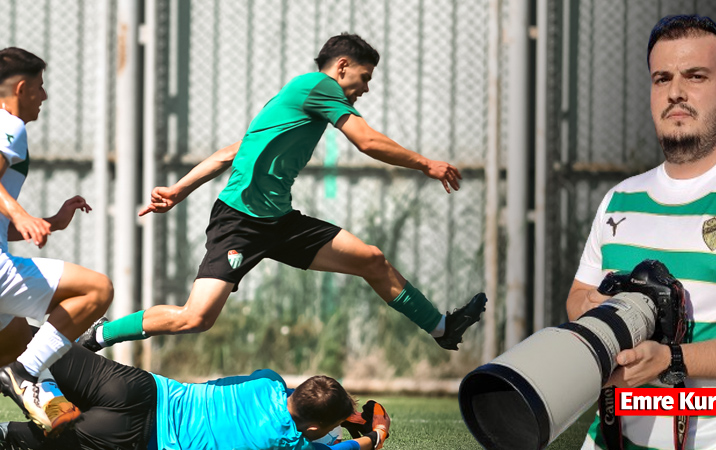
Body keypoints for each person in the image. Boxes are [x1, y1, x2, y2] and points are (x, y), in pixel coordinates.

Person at [79, 32, 486, 355]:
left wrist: (178, 190)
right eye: (364, 78)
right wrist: (426, 164)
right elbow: (366, 141)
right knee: (196, 317)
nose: (364, 89)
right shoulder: (317, 86)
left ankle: (442, 328)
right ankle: (102, 335)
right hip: (240, 220)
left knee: (372, 259)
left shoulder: (295, 102)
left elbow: (232, 151)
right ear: (342, 67)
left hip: (280, 221)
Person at [565, 15, 716, 450]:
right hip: (607, 437)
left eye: (695, 76)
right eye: (662, 78)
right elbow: (578, 297)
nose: (675, 92)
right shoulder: (620, 198)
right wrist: (597, 307)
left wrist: (671, 359)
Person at [0, 330, 391, 450]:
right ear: (311, 430)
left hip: (142, 389)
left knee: (28, 344)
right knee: (25, 442)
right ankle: (35, 403)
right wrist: (376, 433)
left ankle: (42, 384)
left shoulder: (269, 380)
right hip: (137, 439)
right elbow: (347, 449)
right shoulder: (293, 444)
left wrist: (342, 412)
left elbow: (305, 401)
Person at [0, 47, 114, 436]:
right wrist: (21, 214)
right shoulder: (8, 125)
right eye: (40, 87)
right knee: (97, 290)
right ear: (21, 88)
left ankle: (34, 386)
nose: (44, 97)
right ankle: (24, 376)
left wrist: (49, 221)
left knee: (15, 338)